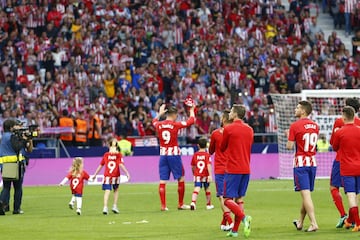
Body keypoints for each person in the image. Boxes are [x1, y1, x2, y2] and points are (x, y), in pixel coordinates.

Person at [152, 103, 195, 211]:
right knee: (181, 177)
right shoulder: (175, 125)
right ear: (175, 114)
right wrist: (192, 109)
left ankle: (163, 206)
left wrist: (159, 114)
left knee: (162, 180)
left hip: (163, 155)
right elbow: (191, 121)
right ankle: (181, 204)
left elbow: (153, 122)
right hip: (174, 155)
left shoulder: (159, 124)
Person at [220, 104, 253, 238]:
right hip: (246, 168)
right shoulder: (250, 129)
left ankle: (244, 218)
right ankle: (234, 231)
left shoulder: (229, 129)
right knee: (239, 199)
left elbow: (222, 147)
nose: (229, 114)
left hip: (233, 168)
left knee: (227, 199)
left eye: (231, 112)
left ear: (235, 114)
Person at [286, 100, 319, 232]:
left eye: (298, 108)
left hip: (300, 163)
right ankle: (300, 222)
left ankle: (314, 223)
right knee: (306, 195)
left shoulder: (295, 125)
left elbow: (289, 146)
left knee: (305, 195)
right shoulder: (315, 126)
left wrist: (287, 135)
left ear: (303, 111)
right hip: (312, 162)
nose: (295, 109)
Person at [329, 97, 360, 228]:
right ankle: (351, 220)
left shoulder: (339, 122)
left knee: (334, 187)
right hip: (357, 161)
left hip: (341, 160)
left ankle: (344, 216)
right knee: (354, 192)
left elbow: (332, 143)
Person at [0, 119, 33, 215]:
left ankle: (3, 205)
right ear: (11, 127)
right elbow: (17, 147)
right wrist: (23, 140)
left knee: (6, 187)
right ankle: (16, 208)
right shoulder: (11, 136)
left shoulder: (3, 137)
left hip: (5, 164)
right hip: (14, 164)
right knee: (18, 187)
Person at [209, 109, 234, 231]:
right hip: (233, 168)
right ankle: (224, 222)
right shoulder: (235, 132)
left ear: (223, 119)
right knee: (230, 197)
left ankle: (230, 221)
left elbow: (210, 151)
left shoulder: (216, 133)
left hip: (220, 168)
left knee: (222, 197)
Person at [92, 138, 130, 215]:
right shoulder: (118, 155)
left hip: (108, 176)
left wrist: (95, 174)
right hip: (115, 175)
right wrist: (127, 173)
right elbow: (121, 164)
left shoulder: (106, 155)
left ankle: (106, 207)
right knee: (115, 190)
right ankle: (114, 206)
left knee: (108, 191)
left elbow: (101, 165)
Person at [189, 138, 214, 211]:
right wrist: (210, 175)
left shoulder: (195, 155)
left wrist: (194, 173)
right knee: (207, 189)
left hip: (197, 174)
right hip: (205, 174)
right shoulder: (207, 155)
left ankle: (193, 202)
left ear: (198, 145)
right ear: (206, 146)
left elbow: (193, 166)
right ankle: (208, 205)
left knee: (197, 188)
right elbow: (209, 165)